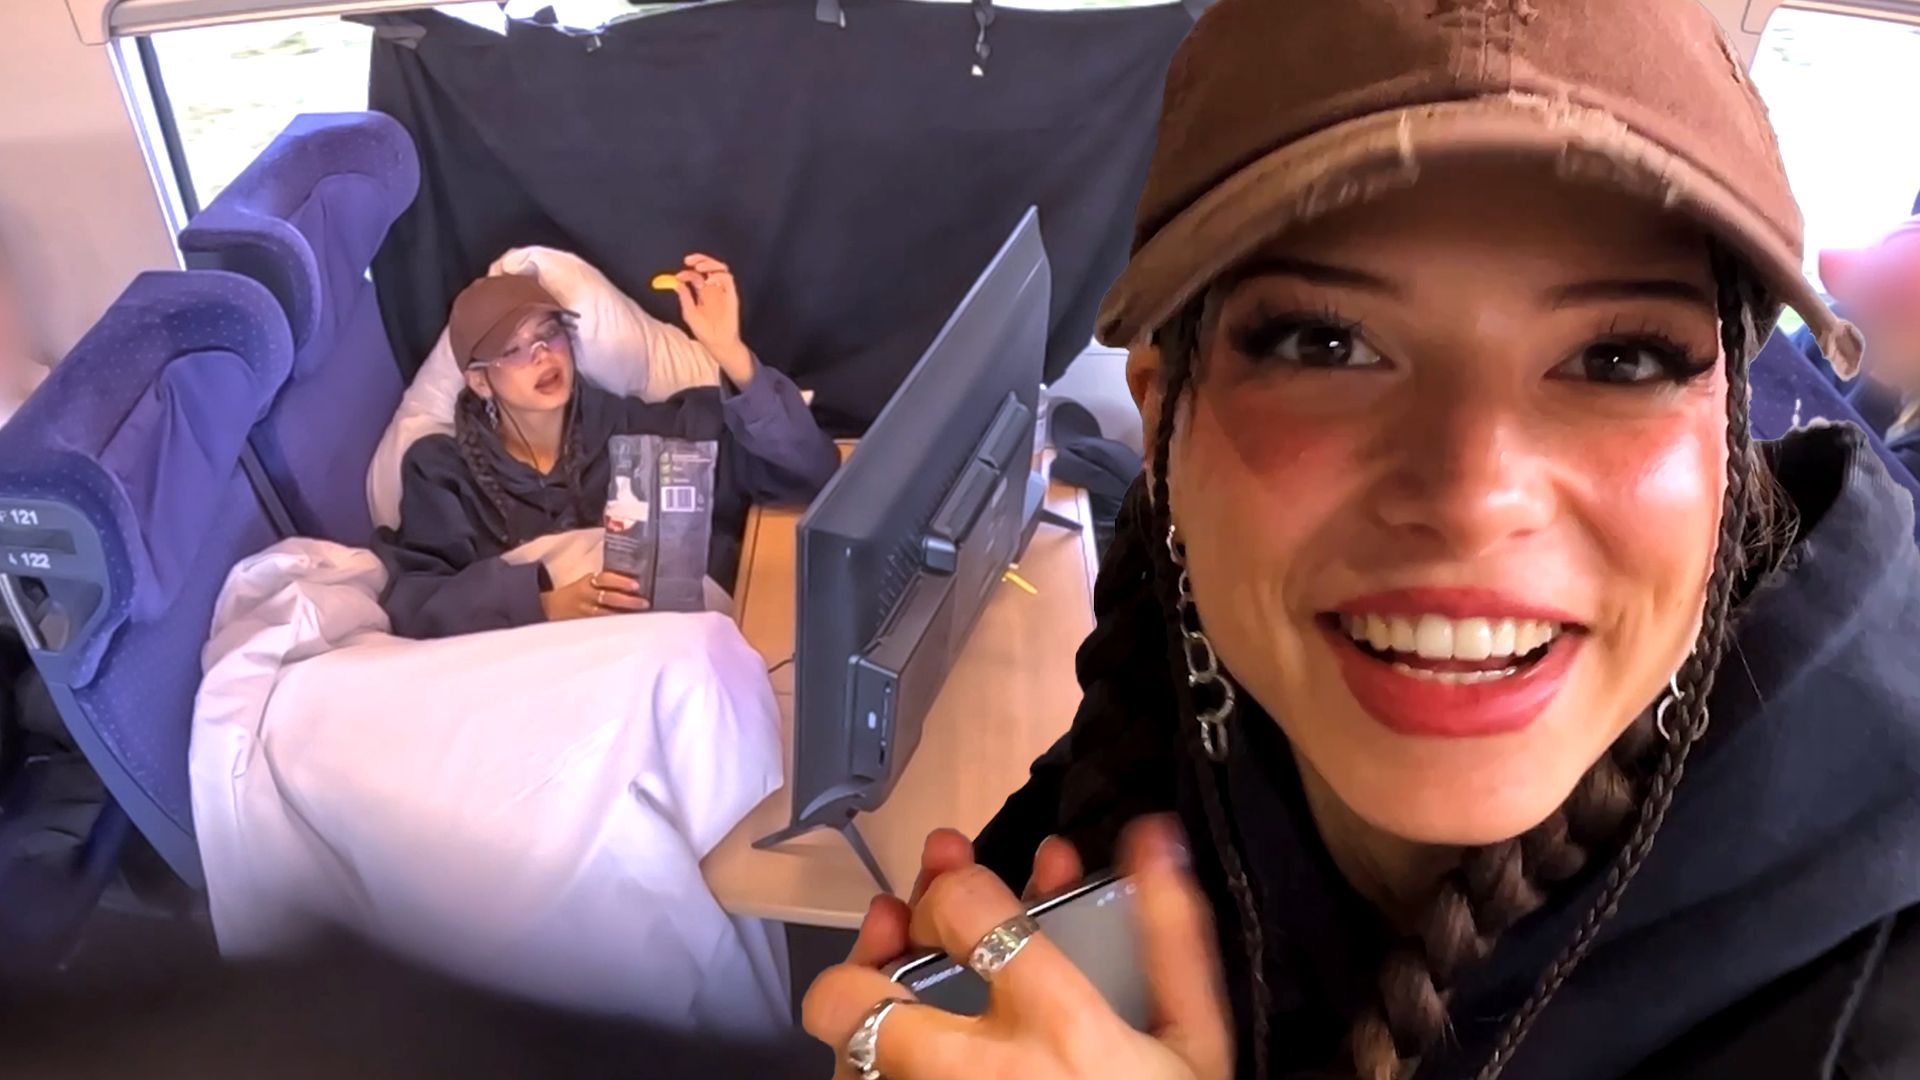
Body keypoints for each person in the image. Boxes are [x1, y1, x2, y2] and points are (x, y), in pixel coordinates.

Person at [801, 3, 1920, 1079]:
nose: (1472, 497)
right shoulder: (1168, 715)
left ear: (1728, 441)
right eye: (1325, 343)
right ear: (1162, 418)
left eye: (1617, 359)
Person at [378, 255, 840, 639]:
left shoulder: (638, 430)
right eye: (513, 349)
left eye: (548, 333)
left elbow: (808, 470)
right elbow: (416, 604)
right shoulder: (443, 471)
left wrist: (730, 352)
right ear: (480, 381)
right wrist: (545, 604)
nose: (542, 355)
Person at [1807, 215, 1920, 476]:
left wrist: (1881, 386)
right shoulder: (1836, 329)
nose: (1863, 312)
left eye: (1896, 307)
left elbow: (1820, 481)